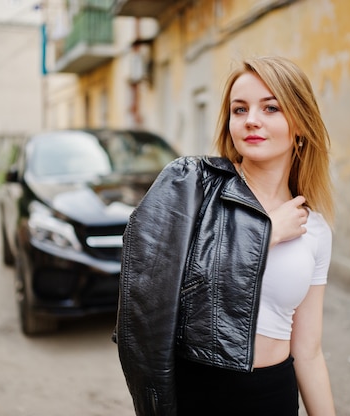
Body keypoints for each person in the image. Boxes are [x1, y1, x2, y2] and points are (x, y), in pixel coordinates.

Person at [115, 56, 336, 416]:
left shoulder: (313, 228)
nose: (251, 120)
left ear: (300, 123)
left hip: (273, 397)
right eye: (240, 109)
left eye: (271, 108)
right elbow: (147, 292)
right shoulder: (192, 187)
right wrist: (264, 236)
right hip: (197, 393)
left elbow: (308, 351)